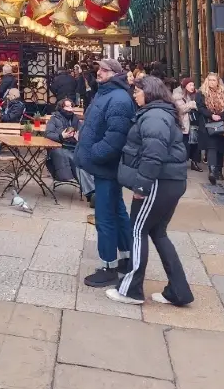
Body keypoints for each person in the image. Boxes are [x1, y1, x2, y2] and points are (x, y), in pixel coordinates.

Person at [106, 75, 194, 307]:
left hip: (157, 183)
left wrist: (142, 186)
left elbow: (153, 153)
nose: (134, 94)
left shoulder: (154, 116)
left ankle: (131, 290)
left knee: (137, 231)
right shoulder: (162, 112)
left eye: (137, 90)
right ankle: (179, 290)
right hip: (170, 181)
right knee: (159, 233)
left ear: (150, 92)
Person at [74, 58, 135, 287]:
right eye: (99, 68)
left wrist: (93, 153)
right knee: (117, 210)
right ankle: (128, 257)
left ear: (114, 73)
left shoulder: (117, 99)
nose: (98, 72)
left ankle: (108, 266)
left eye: (103, 69)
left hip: (105, 166)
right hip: (105, 166)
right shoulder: (107, 93)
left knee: (105, 216)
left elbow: (115, 137)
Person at [45, 98, 95, 201]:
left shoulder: (76, 119)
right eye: (67, 106)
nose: (70, 108)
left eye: (71, 106)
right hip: (60, 147)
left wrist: (78, 138)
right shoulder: (54, 119)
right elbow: (48, 134)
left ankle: (95, 191)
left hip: (75, 147)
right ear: (61, 107)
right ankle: (91, 193)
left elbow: (84, 135)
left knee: (87, 162)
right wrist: (61, 136)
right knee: (76, 162)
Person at [196, 73, 224, 185]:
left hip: (222, 123)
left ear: (218, 81)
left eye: (214, 80)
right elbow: (200, 107)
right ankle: (212, 171)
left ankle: (219, 171)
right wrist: (211, 115)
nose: (212, 82)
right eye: (210, 80)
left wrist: (221, 116)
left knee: (220, 147)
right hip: (208, 124)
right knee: (211, 147)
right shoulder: (201, 93)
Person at [172, 78, 201, 171]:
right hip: (185, 124)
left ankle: (194, 162)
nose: (192, 87)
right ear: (185, 86)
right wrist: (191, 104)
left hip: (195, 123)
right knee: (185, 144)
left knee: (195, 144)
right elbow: (180, 110)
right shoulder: (178, 96)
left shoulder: (197, 95)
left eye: (193, 85)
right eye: (190, 85)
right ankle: (182, 163)